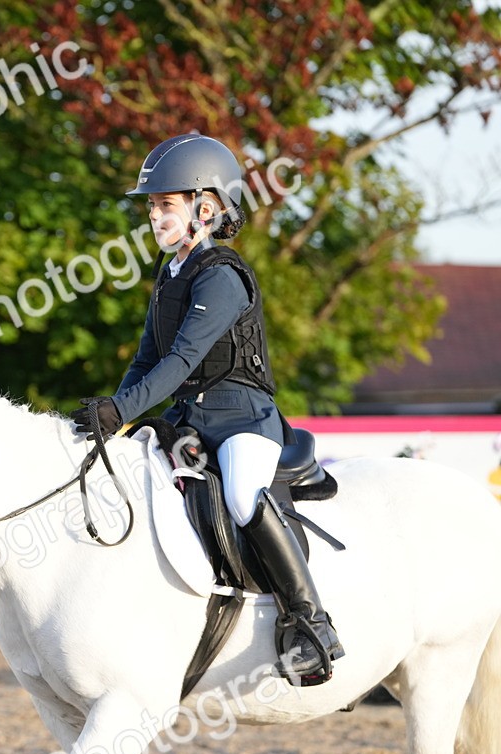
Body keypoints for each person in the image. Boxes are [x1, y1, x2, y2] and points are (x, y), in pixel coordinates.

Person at [70, 133, 344, 686]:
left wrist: (124, 408)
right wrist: (114, 414)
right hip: (191, 421)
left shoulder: (221, 275)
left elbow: (180, 360)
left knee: (244, 495)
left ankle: (311, 624)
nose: (153, 215)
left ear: (207, 207)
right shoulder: (170, 274)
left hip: (244, 417)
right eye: (151, 205)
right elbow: (147, 358)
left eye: (164, 204)